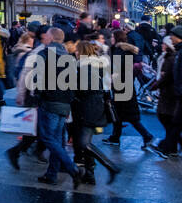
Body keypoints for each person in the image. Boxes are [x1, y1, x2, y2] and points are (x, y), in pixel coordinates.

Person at [33, 28, 82, 188]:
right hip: (64, 103)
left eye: (46, 35)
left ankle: (72, 168)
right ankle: (52, 174)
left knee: (48, 138)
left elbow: (37, 78)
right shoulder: (69, 56)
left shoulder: (44, 54)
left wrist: (40, 95)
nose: (44, 37)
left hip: (50, 101)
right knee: (58, 140)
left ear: (52, 37)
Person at [70, 37, 118, 183]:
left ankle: (110, 167)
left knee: (84, 143)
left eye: (77, 50)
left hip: (88, 107)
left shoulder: (86, 66)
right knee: (83, 142)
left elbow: (85, 89)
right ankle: (89, 173)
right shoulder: (99, 65)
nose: (75, 52)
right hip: (95, 106)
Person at [106, 29, 158, 151]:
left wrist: (112, 78)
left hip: (122, 86)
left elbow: (118, 70)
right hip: (126, 85)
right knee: (118, 113)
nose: (111, 39)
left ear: (117, 38)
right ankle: (115, 137)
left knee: (129, 116)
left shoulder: (120, 52)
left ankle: (147, 136)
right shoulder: (127, 51)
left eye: (113, 37)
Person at [156, 25, 182, 157]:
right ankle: (170, 148)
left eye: (172, 36)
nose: (171, 38)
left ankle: (169, 148)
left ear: (179, 37)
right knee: (177, 123)